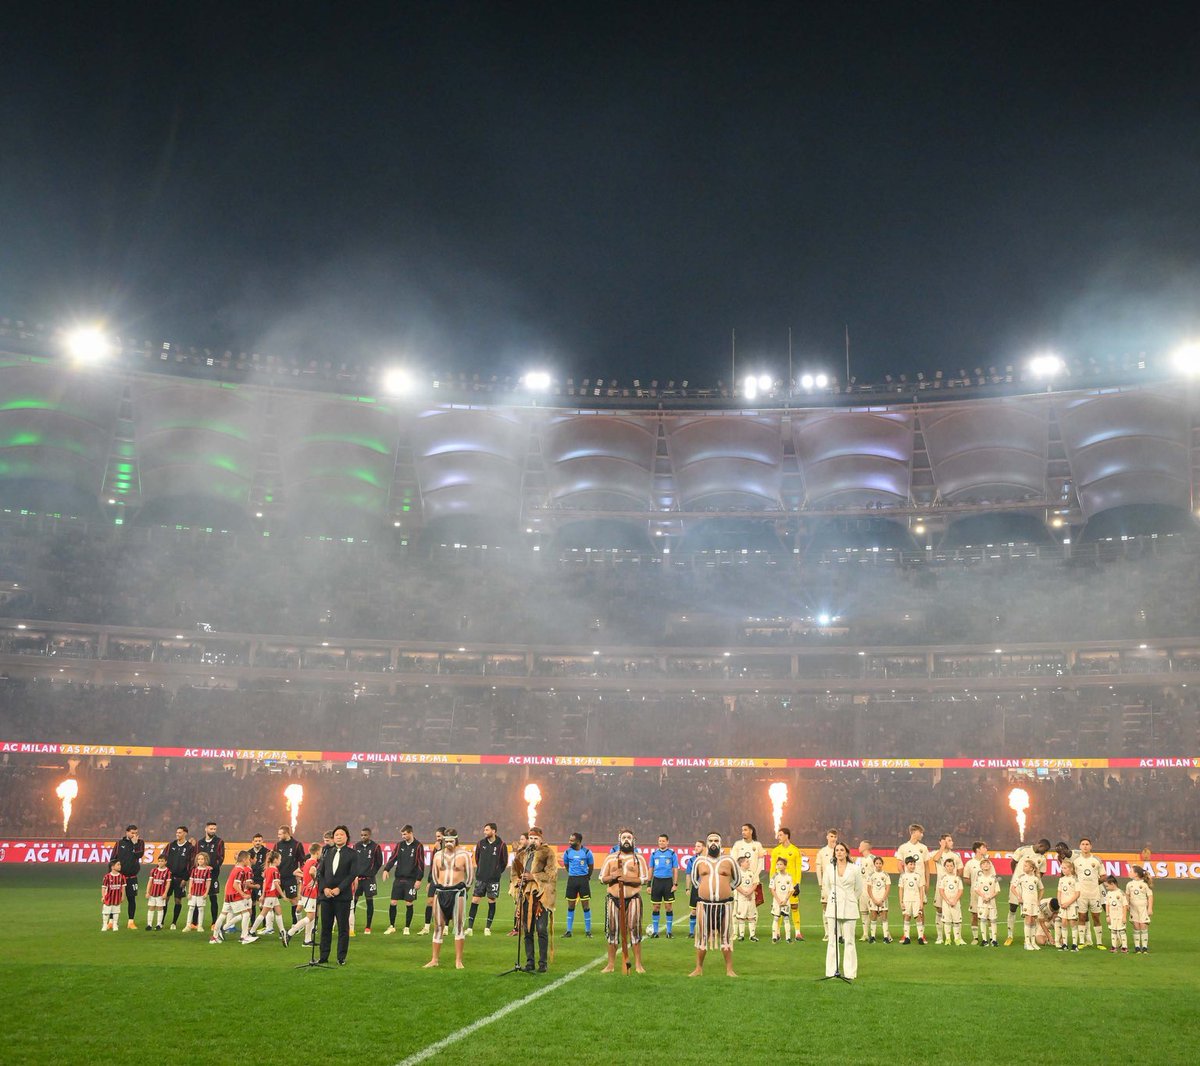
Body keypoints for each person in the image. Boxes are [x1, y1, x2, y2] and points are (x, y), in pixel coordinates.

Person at [688, 831, 737, 977]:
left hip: (724, 906)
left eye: (716, 840)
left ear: (720, 843)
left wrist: (724, 890)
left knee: (725, 937)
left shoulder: (729, 861)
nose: (713, 843)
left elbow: (737, 880)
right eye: (711, 841)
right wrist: (707, 892)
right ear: (707, 844)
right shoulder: (699, 861)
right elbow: (695, 881)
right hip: (705, 905)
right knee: (702, 937)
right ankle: (698, 968)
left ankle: (729, 970)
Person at [599, 827, 648, 974]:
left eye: (629, 838)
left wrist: (627, 879)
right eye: (624, 838)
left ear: (634, 840)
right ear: (619, 840)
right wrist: (613, 876)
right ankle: (610, 965)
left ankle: (638, 964)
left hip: (633, 899)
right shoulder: (610, 858)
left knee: (634, 930)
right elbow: (601, 878)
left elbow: (644, 879)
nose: (627, 840)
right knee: (612, 931)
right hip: (613, 899)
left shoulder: (639, 859)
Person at [424, 829, 473, 969]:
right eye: (447, 841)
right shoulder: (438, 855)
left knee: (458, 926)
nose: (449, 843)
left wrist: (462, 889)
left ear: (456, 840)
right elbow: (434, 875)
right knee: (438, 926)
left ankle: (458, 960)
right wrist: (439, 887)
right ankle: (434, 959)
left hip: (457, 892)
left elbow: (470, 877)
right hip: (441, 892)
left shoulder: (464, 855)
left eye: (452, 840)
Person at [518, 826, 557, 973]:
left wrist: (533, 877)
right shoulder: (524, 853)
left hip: (542, 896)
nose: (533, 841)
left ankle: (543, 963)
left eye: (536, 838)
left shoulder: (548, 852)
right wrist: (517, 882)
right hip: (526, 896)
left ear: (541, 840)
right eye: (531, 838)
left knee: (541, 929)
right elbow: (516, 872)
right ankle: (529, 962)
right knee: (527, 929)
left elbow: (552, 874)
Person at [823, 842, 864, 979]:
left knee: (850, 941)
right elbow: (827, 887)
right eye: (837, 850)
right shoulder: (829, 868)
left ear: (846, 852)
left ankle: (850, 973)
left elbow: (858, 889)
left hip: (850, 907)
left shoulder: (854, 869)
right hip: (833, 906)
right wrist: (835, 898)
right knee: (832, 941)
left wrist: (851, 899)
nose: (839, 852)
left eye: (841, 850)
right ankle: (831, 972)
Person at [317, 826, 356, 965]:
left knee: (343, 928)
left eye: (341, 834)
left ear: (346, 837)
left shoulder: (352, 854)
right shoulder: (327, 852)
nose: (338, 837)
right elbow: (320, 873)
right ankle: (323, 956)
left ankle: (341, 957)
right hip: (327, 897)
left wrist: (340, 888)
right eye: (336, 835)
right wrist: (324, 888)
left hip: (342, 897)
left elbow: (352, 874)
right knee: (326, 927)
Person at [1004, 838, 1050, 946]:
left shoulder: (1042, 859)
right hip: (1018, 883)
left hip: (1030, 889)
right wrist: (1014, 876)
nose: (1045, 852)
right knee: (1012, 908)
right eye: (1045, 849)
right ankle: (1010, 936)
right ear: (1040, 845)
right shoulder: (1023, 850)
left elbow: (1041, 873)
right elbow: (1013, 862)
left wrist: (1034, 880)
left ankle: (1028, 939)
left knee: (1030, 914)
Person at [381, 825, 425, 934]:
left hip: (411, 880)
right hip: (399, 879)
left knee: (409, 903)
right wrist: (386, 869)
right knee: (393, 902)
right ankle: (392, 926)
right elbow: (393, 858)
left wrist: (419, 879)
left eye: (405, 834)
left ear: (411, 833)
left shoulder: (418, 846)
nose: (403, 836)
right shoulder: (400, 845)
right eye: (402, 834)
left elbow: (421, 864)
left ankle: (407, 927)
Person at [467, 822, 508, 936]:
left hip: (493, 880)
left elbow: (504, 862)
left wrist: (496, 872)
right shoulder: (480, 844)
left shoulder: (501, 845)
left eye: (487, 830)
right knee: (475, 900)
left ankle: (487, 928)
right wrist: (481, 870)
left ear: (494, 831)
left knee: (491, 901)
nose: (485, 832)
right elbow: (477, 858)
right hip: (481, 878)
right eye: (484, 830)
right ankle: (470, 928)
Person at [210, 850, 257, 945]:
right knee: (246, 914)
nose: (249, 861)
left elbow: (230, 883)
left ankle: (214, 937)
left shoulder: (236, 868)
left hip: (228, 895)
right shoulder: (241, 871)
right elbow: (235, 885)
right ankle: (244, 937)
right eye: (248, 859)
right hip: (234, 895)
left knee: (223, 915)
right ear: (244, 860)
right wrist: (243, 894)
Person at [281, 843, 322, 947]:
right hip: (311, 892)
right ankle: (289, 933)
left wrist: (305, 877)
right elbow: (312, 872)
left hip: (304, 892)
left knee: (311, 916)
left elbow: (295, 872)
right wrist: (314, 880)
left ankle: (307, 940)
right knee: (310, 916)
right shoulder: (315, 863)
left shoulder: (307, 862)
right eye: (320, 852)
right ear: (317, 852)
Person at [894, 824, 930, 940]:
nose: (922, 834)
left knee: (921, 909)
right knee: (906, 909)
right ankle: (906, 934)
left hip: (920, 883)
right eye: (920, 832)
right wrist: (904, 877)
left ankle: (922, 934)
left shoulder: (923, 848)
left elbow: (927, 866)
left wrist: (927, 882)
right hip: (907, 884)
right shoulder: (903, 847)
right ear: (914, 832)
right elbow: (899, 864)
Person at [770, 827, 804, 942]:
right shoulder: (776, 851)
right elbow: (772, 869)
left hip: (791, 885)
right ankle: (778, 932)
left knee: (794, 907)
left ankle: (798, 932)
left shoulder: (795, 850)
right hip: (779, 885)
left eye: (780, 835)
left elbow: (798, 868)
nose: (778, 837)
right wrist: (772, 882)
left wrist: (798, 883)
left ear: (786, 836)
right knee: (779, 907)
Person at [110, 824, 146, 930]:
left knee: (131, 899)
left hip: (132, 876)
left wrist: (134, 845)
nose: (134, 835)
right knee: (114, 899)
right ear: (127, 832)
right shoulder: (119, 843)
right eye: (132, 833)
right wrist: (111, 874)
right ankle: (112, 922)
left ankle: (130, 922)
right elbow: (113, 859)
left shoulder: (140, 843)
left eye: (136, 833)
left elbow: (139, 855)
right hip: (119, 877)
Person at [929, 834, 963, 944]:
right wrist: (942, 847)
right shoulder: (937, 853)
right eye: (949, 840)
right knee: (939, 910)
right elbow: (935, 859)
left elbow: (960, 870)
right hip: (941, 887)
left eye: (951, 840)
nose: (952, 842)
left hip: (953, 888)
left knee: (955, 910)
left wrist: (955, 881)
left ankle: (958, 937)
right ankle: (940, 937)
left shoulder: (955, 856)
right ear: (942, 842)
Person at [1073, 837, 1106, 949]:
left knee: (1096, 917)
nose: (1085, 846)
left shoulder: (1096, 860)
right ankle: (1082, 942)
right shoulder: (1076, 861)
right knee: (1081, 916)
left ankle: (1099, 943)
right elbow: (1073, 876)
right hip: (1081, 894)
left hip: (1094, 894)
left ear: (1090, 846)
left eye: (1087, 844)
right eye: (1083, 844)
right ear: (1080, 846)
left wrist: (1095, 883)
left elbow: (1104, 876)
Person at [272, 825, 307, 926]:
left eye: (280, 834)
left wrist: (300, 873)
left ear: (286, 833)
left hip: (291, 877)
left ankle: (295, 923)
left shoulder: (297, 844)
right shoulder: (277, 845)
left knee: (294, 900)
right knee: (272, 898)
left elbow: (302, 860)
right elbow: (272, 859)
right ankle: (269, 926)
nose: (278, 836)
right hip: (278, 877)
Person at [351, 827, 384, 935]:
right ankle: (351, 925)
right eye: (361, 835)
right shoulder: (356, 846)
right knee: (353, 902)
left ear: (369, 835)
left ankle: (368, 926)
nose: (363, 837)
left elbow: (379, 862)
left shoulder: (375, 847)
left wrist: (372, 872)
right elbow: (353, 861)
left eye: (365, 835)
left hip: (369, 879)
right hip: (357, 879)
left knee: (369, 901)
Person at [561, 831, 594, 938]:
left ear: (578, 841)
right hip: (572, 880)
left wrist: (587, 877)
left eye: (572, 840)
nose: (569, 842)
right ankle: (568, 931)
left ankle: (588, 931)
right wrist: (572, 873)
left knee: (585, 906)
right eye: (569, 840)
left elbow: (591, 866)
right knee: (570, 906)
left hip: (583, 881)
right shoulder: (567, 852)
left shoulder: (587, 852)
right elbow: (566, 865)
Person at [648, 833, 680, 938]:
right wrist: (649, 884)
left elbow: (675, 869)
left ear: (667, 842)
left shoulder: (672, 854)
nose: (661, 842)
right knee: (656, 907)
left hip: (668, 882)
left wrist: (675, 884)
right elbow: (651, 869)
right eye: (660, 841)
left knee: (668, 907)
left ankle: (669, 932)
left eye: (663, 841)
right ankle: (655, 932)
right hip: (656, 882)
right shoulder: (654, 854)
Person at [163, 826, 195, 930]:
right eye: (177, 832)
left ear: (185, 833)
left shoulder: (189, 847)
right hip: (169, 878)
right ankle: (161, 922)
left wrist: (185, 879)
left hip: (180, 878)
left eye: (180, 833)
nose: (177, 834)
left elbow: (191, 865)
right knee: (165, 899)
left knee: (178, 900)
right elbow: (163, 859)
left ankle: (174, 922)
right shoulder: (171, 845)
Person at [249, 851, 283, 939]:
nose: (280, 861)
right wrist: (283, 895)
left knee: (279, 912)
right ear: (275, 860)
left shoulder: (267, 870)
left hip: (270, 895)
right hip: (271, 895)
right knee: (263, 913)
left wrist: (263, 895)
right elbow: (276, 884)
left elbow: (265, 883)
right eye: (279, 859)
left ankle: (282, 932)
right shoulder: (274, 870)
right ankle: (252, 931)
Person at [418, 827, 446, 935]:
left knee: (444, 904)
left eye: (439, 836)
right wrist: (429, 881)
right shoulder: (436, 847)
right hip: (434, 879)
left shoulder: (448, 847)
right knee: (430, 902)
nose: (437, 839)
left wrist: (439, 850)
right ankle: (426, 927)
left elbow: (445, 863)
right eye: (436, 836)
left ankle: (445, 927)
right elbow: (433, 865)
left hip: (444, 879)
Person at [198, 821, 226, 926]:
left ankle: (214, 922)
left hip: (213, 874)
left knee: (213, 898)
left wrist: (213, 867)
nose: (213, 831)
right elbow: (196, 857)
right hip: (200, 875)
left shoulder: (219, 842)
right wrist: (201, 867)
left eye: (214, 829)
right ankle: (195, 922)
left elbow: (221, 857)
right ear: (206, 829)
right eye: (211, 829)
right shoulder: (200, 842)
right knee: (198, 897)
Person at [814, 827, 840, 937]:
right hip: (826, 884)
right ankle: (827, 933)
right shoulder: (822, 852)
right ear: (827, 837)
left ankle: (838, 933)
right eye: (831, 836)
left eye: (835, 836)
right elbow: (818, 868)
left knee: (838, 907)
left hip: (838, 884)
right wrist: (820, 883)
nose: (833, 838)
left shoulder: (840, 850)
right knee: (825, 907)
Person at [963, 841, 990, 944]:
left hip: (988, 894)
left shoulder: (988, 862)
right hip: (975, 894)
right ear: (978, 849)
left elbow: (993, 877)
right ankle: (975, 938)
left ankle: (991, 938)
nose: (986, 848)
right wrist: (976, 887)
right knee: (974, 915)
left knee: (988, 916)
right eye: (984, 847)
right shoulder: (970, 863)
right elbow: (966, 878)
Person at [1015, 858, 1042, 951]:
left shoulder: (1036, 879)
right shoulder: (1021, 877)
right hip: (1026, 902)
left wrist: (1039, 900)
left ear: (1031, 868)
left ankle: (1033, 942)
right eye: (1024, 865)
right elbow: (1013, 888)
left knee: (1033, 920)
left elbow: (1041, 889)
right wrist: (1019, 897)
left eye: (1026, 866)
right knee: (1028, 919)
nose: (1024, 867)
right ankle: (1027, 942)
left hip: (1034, 902)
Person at [937, 858, 965, 946]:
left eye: (951, 866)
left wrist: (955, 900)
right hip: (946, 903)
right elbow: (941, 891)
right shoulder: (943, 878)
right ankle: (948, 939)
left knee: (956, 921)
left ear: (954, 867)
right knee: (947, 921)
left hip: (956, 903)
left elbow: (960, 890)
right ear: (945, 867)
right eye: (947, 866)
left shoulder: (957, 878)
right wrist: (947, 900)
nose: (949, 868)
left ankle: (957, 939)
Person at [897, 855, 925, 944]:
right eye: (910, 864)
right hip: (906, 900)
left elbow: (921, 889)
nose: (912, 866)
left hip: (916, 900)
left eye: (914, 864)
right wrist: (901, 901)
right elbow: (901, 889)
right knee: (907, 917)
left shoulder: (918, 876)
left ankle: (920, 937)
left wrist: (921, 901)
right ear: (906, 865)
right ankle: (907, 937)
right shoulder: (903, 876)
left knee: (918, 917)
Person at [972, 857, 999, 947]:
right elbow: (976, 889)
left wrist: (990, 897)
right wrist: (983, 896)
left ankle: (994, 940)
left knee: (993, 920)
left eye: (987, 864)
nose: (986, 865)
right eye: (983, 864)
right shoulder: (979, 878)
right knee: (983, 920)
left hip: (991, 902)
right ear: (981, 867)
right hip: (982, 902)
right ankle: (984, 940)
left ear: (990, 866)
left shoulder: (994, 878)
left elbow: (997, 890)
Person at [507, 832, 530, 936]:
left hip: (529, 883)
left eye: (522, 839)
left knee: (524, 905)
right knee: (519, 905)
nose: (520, 841)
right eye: (520, 839)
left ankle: (521, 928)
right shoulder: (521, 852)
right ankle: (517, 928)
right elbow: (515, 868)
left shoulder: (531, 853)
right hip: (520, 882)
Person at [1127, 865, 1154, 954]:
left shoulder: (1144, 884)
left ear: (1136, 874)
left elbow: (1150, 896)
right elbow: (1127, 895)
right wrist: (1127, 904)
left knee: (1143, 926)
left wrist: (1150, 908)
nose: (1129, 873)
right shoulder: (1129, 884)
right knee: (1136, 926)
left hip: (1143, 909)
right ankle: (1137, 947)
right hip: (1133, 909)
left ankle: (1145, 947)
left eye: (1131, 871)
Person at [866, 855, 892, 943]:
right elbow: (869, 889)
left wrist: (883, 899)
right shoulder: (871, 875)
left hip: (883, 899)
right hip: (873, 899)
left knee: (884, 917)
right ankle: (872, 937)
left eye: (880, 863)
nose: (878, 865)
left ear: (882, 864)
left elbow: (888, 888)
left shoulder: (886, 875)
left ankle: (886, 937)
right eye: (877, 863)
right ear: (874, 864)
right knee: (873, 917)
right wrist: (873, 899)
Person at [732, 853, 758, 942]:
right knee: (741, 916)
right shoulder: (737, 874)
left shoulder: (752, 873)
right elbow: (735, 885)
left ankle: (752, 935)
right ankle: (741, 935)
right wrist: (744, 892)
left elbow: (755, 883)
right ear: (741, 863)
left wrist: (750, 892)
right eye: (747, 861)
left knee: (751, 916)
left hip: (751, 898)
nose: (749, 863)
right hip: (741, 898)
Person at [854, 841, 876, 942]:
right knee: (864, 912)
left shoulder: (873, 859)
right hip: (862, 890)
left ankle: (886, 934)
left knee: (874, 912)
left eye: (860, 845)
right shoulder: (861, 860)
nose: (858, 847)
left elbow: (877, 875)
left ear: (865, 847)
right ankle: (865, 934)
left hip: (870, 890)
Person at [1057, 859, 1081, 951]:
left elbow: (1077, 894)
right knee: (1063, 923)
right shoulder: (1061, 879)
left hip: (1071, 905)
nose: (1063, 869)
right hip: (1063, 905)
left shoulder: (1075, 879)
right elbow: (1059, 891)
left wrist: (1068, 903)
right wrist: (1060, 902)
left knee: (1072, 923)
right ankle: (1064, 945)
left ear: (1070, 869)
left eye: (1065, 868)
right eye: (1062, 868)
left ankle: (1075, 945)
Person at [769, 857, 794, 943]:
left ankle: (788, 938)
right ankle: (774, 937)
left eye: (781, 864)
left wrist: (786, 900)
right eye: (778, 864)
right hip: (777, 901)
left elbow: (791, 890)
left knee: (786, 918)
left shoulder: (789, 877)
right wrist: (778, 900)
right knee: (776, 918)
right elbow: (772, 889)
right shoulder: (774, 876)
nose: (779, 866)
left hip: (786, 901)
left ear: (785, 866)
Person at [185, 852, 212, 932]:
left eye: (202, 859)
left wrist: (206, 893)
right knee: (191, 908)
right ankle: (188, 925)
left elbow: (208, 882)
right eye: (199, 859)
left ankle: (200, 926)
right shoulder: (194, 870)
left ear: (205, 860)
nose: (200, 860)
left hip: (201, 893)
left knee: (200, 909)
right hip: (193, 893)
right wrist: (189, 892)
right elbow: (191, 881)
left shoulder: (207, 871)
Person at [145, 853, 172, 930]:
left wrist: (165, 893)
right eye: (159, 861)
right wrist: (147, 892)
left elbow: (168, 883)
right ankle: (149, 925)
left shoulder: (168, 872)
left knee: (160, 908)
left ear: (165, 862)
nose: (160, 862)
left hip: (161, 894)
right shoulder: (154, 870)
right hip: (153, 893)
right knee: (151, 907)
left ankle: (159, 925)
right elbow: (150, 882)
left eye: (162, 861)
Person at [247, 833, 269, 924]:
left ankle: (264, 924)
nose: (258, 842)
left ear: (262, 841)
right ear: (252, 842)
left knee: (261, 902)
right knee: (251, 903)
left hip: (261, 881)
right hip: (251, 881)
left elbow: (270, 864)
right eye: (256, 841)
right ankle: (252, 923)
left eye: (259, 841)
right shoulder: (249, 852)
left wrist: (266, 872)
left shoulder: (267, 852)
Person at [1102, 875, 1128, 953]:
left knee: (1122, 931)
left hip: (1120, 916)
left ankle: (1124, 947)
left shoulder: (1120, 893)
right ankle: (1114, 946)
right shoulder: (1109, 893)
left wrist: (1124, 917)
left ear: (1112, 884)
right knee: (1113, 931)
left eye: (1107, 886)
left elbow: (1125, 905)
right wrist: (1107, 915)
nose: (1106, 888)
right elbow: (1107, 904)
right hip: (1112, 916)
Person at [685, 839, 704, 939]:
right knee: (694, 911)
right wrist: (687, 888)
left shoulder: (707, 859)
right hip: (695, 888)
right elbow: (688, 874)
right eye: (695, 846)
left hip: (706, 888)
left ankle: (705, 931)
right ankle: (692, 932)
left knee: (706, 910)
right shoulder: (692, 860)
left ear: (703, 848)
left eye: (699, 846)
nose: (696, 848)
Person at [101, 860, 126, 932]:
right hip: (108, 897)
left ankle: (115, 924)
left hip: (117, 898)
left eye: (120, 864)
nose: (120, 866)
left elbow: (123, 887)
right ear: (112, 867)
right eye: (118, 865)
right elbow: (103, 887)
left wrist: (123, 896)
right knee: (106, 912)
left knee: (116, 911)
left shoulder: (122, 877)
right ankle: (105, 925)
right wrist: (103, 896)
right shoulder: (107, 877)